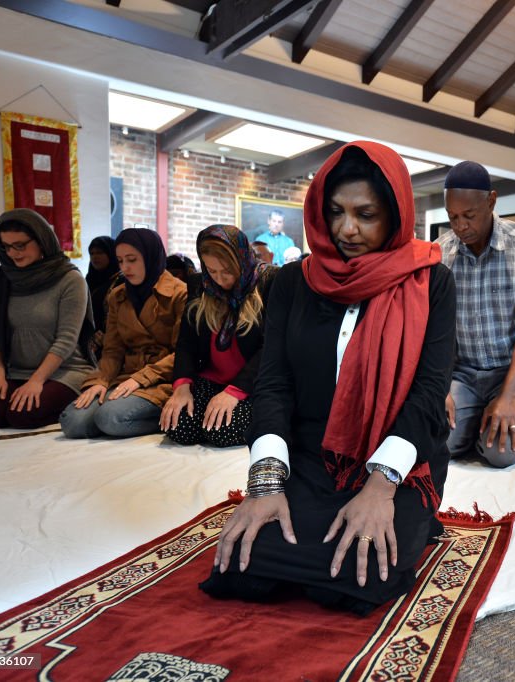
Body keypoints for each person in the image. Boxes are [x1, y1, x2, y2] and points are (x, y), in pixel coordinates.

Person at [201, 142, 455, 615]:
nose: (347, 229)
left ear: (396, 214)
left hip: (396, 460)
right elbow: (273, 384)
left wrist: (380, 490)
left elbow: (428, 392)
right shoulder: (292, 282)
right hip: (311, 454)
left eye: (366, 214)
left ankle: (414, 516)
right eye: (335, 212)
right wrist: (267, 484)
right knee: (243, 568)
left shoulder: (431, 280)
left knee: (358, 582)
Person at [438, 161, 515, 468]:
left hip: (513, 372)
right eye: (453, 218)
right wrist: (439, 388)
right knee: (439, 443)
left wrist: (509, 395)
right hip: (463, 373)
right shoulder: (440, 253)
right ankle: (477, 421)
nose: (460, 226)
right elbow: (433, 332)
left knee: (502, 453)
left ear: (491, 200)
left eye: (469, 216)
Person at [0, 209, 96, 429]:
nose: (13, 253)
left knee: (21, 415)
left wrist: (37, 380)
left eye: (20, 245)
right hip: (16, 372)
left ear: (42, 241)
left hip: (65, 372)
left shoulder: (70, 279)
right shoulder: (1, 280)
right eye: (6, 247)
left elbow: (66, 339)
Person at [59, 228, 187, 438]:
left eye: (132, 260)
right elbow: (112, 350)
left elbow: (182, 354)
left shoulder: (180, 293)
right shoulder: (118, 295)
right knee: (73, 423)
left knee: (110, 418)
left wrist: (140, 379)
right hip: (125, 375)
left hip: (162, 378)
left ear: (150, 256)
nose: (125, 268)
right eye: (120, 261)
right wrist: (102, 380)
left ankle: (167, 418)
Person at [160, 225, 276, 447]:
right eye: (212, 271)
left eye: (228, 271)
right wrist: (182, 387)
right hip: (213, 378)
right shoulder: (200, 284)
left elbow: (270, 348)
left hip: (252, 382)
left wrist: (235, 391)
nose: (220, 280)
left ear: (242, 261)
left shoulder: (268, 282)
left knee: (222, 432)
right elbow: (187, 341)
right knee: (179, 426)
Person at [85, 235, 120, 344]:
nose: (95, 257)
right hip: (88, 339)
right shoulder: (89, 280)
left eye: (100, 252)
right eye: (92, 253)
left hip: (112, 341)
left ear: (111, 254)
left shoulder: (120, 281)